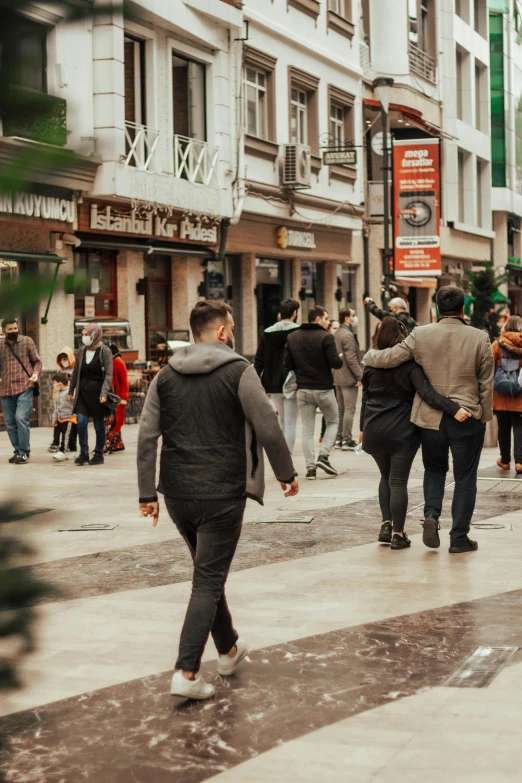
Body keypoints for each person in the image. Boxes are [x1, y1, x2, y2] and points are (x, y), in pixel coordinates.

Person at [137, 300, 298, 701]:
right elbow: (268, 425)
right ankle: (187, 672)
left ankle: (227, 650)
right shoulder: (239, 371)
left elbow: (145, 436)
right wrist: (286, 474)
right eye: (231, 326)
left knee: (208, 572)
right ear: (223, 332)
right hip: (222, 493)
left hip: (176, 494)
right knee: (208, 579)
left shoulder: (164, 376)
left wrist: (146, 493)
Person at [363, 286, 494, 554]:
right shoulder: (480, 338)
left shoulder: (419, 334)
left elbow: (390, 358)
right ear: (463, 309)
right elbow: (486, 384)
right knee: (465, 479)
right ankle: (458, 537)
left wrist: (367, 356)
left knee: (435, 470)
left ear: (436, 308)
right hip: (466, 417)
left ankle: (432, 514)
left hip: (429, 419)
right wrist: (484, 416)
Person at [361, 317, 470, 550]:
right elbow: (428, 394)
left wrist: (362, 428)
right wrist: (455, 409)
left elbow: (365, 398)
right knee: (398, 480)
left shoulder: (371, 365)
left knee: (384, 477)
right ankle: (398, 535)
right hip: (401, 431)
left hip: (374, 429)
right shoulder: (410, 366)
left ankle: (386, 525)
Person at [284, 305, 343, 479]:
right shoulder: (326, 337)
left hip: (303, 389)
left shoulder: (292, 337)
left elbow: (287, 365)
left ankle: (310, 469)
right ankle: (323, 456)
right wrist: (338, 358)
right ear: (317, 319)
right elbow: (335, 363)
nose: (328, 321)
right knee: (333, 421)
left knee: (307, 430)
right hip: (324, 388)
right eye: (326, 318)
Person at [254, 298, 300, 453]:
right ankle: (287, 456)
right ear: (295, 313)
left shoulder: (266, 333)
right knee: (290, 422)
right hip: (291, 381)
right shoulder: (298, 332)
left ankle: (282, 453)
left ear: (280, 314)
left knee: (281, 419)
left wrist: (256, 381)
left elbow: (259, 360)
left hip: (272, 382)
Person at [68, 323, 113, 466]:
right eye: (83, 334)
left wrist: (104, 392)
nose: (84, 337)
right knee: (81, 422)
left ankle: (99, 453)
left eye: (87, 334)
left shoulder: (104, 351)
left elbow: (108, 374)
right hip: (82, 393)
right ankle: (84, 453)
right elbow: (76, 372)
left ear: (95, 334)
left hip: (98, 393)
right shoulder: (81, 350)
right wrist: (71, 390)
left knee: (99, 425)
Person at [0, 318, 41, 465]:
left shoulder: (27, 341)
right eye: (10, 329)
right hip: (5, 389)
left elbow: (37, 361)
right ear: (4, 331)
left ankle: (24, 451)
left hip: (25, 386)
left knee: (21, 418)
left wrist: (35, 374)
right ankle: (17, 450)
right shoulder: (0, 345)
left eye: (15, 328)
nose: (13, 331)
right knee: (10, 422)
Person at [491, 315, 522, 474]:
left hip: (501, 394)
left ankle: (505, 461)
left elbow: (489, 366)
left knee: (503, 427)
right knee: (519, 427)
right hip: (520, 395)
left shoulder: (498, 344)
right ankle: (520, 462)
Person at [334, 308, 363, 450]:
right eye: (353, 315)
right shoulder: (348, 335)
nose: (355, 318)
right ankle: (347, 439)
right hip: (348, 377)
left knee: (341, 409)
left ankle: (339, 438)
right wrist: (360, 375)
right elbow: (351, 358)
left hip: (338, 376)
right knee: (349, 409)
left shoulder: (337, 333)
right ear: (347, 318)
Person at [49, 346, 77, 453]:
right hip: (60, 400)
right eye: (61, 359)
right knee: (57, 424)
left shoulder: (75, 370)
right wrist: (54, 397)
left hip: (69, 401)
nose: (63, 361)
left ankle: (69, 446)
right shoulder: (59, 370)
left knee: (70, 428)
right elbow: (55, 387)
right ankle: (56, 442)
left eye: (65, 359)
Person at [104, 342, 129, 454]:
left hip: (117, 398)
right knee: (113, 422)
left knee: (112, 422)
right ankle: (116, 444)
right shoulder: (112, 362)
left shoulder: (118, 362)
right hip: (113, 397)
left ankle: (106, 444)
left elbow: (124, 382)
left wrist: (123, 398)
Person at [50, 371, 77, 462]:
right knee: (69, 435)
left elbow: (75, 401)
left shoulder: (69, 392)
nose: (54, 385)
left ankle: (62, 451)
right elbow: (56, 407)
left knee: (66, 435)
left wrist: (72, 397)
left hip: (69, 418)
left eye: (55, 383)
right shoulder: (58, 394)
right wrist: (54, 418)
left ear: (60, 384)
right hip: (60, 419)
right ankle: (73, 450)